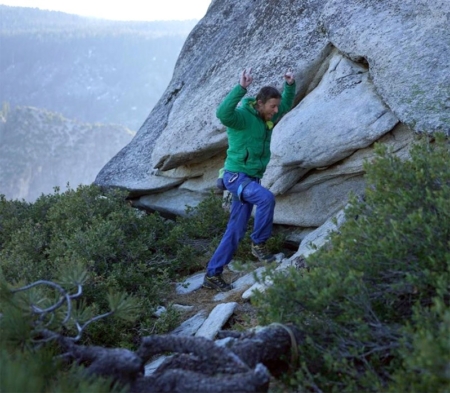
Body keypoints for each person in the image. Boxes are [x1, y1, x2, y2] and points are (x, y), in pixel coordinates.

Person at [203, 67, 296, 291]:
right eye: (272, 106)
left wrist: (290, 86)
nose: (275, 111)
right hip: (236, 176)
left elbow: (285, 105)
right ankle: (258, 244)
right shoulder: (242, 117)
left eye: (276, 107)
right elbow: (222, 113)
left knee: (235, 230)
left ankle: (211, 275)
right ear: (260, 102)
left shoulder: (267, 116)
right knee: (266, 199)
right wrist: (241, 88)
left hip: (251, 179)